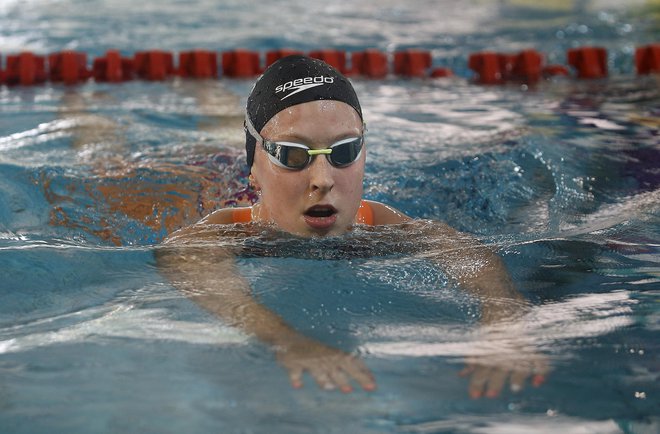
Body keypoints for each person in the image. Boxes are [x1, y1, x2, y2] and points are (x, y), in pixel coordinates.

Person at [156, 55, 548, 397]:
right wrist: (286, 341)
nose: (323, 179)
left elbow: (458, 249)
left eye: (344, 151)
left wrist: (502, 323)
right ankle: (188, 91)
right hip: (212, 180)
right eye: (292, 155)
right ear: (255, 168)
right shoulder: (234, 228)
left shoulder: (374, 221)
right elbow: (185, 259)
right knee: (210, 139)